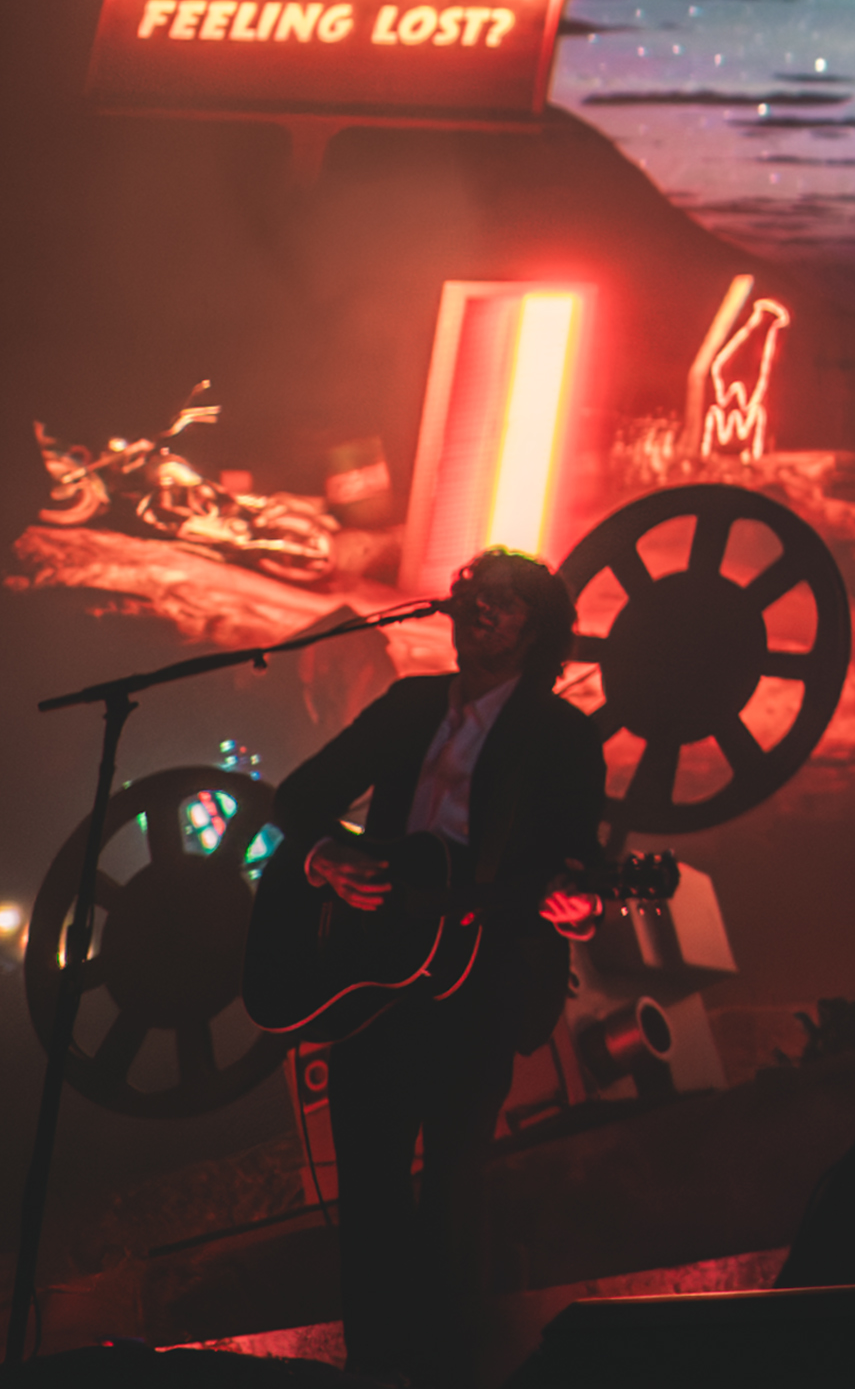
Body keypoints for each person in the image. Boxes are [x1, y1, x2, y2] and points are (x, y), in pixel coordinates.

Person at [271, 551, 607, 1389]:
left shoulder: (562, 735)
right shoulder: (409, 705)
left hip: (482, 983)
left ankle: (451, 1371)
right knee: (372, 1188)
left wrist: (583, 900)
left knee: (455, 1183)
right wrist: (326, 861)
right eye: (469, 597)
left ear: (539, 629)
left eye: (500, 602)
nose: (475, 611)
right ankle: (378, 1368)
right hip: (373, 977)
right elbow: (300, 797)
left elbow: (579, 863)